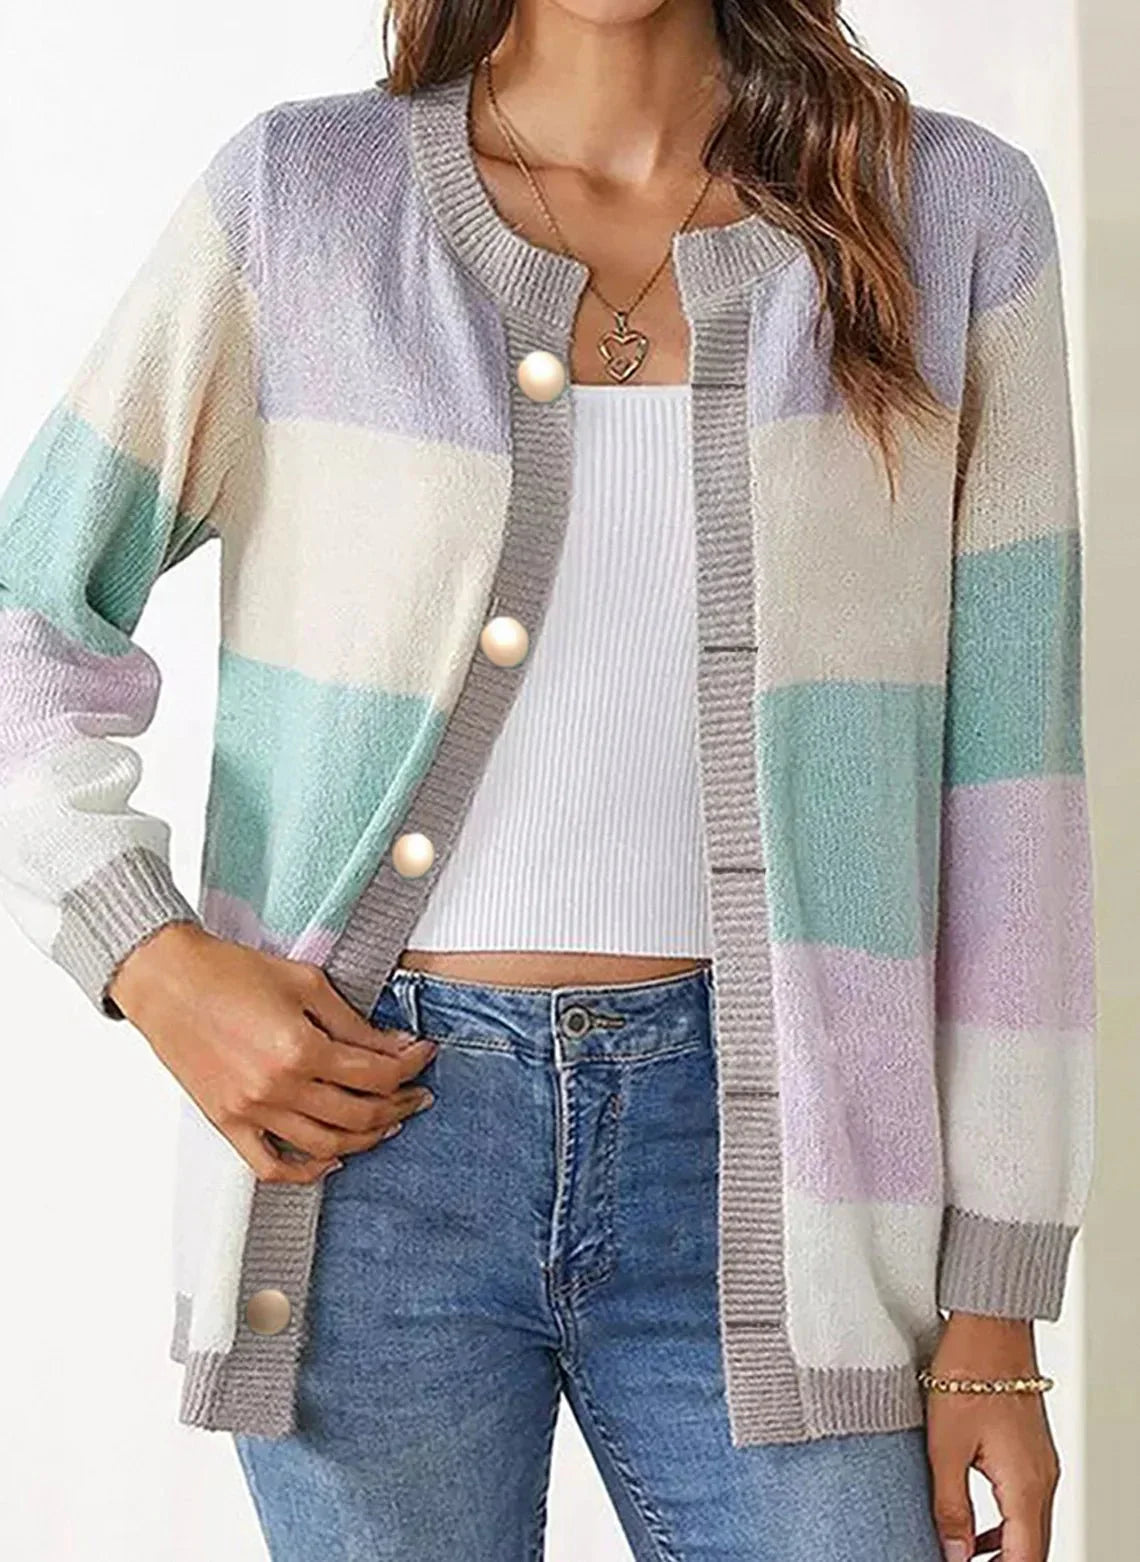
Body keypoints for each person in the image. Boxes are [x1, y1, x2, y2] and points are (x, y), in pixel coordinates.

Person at [0, 3, 1095, 1560]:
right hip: (367, 1162)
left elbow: (1014, 797)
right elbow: (26, 618)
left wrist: (995, 1311)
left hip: (804, 1188)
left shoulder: (946, 216)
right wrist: (152, 959)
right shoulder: (301, 206)